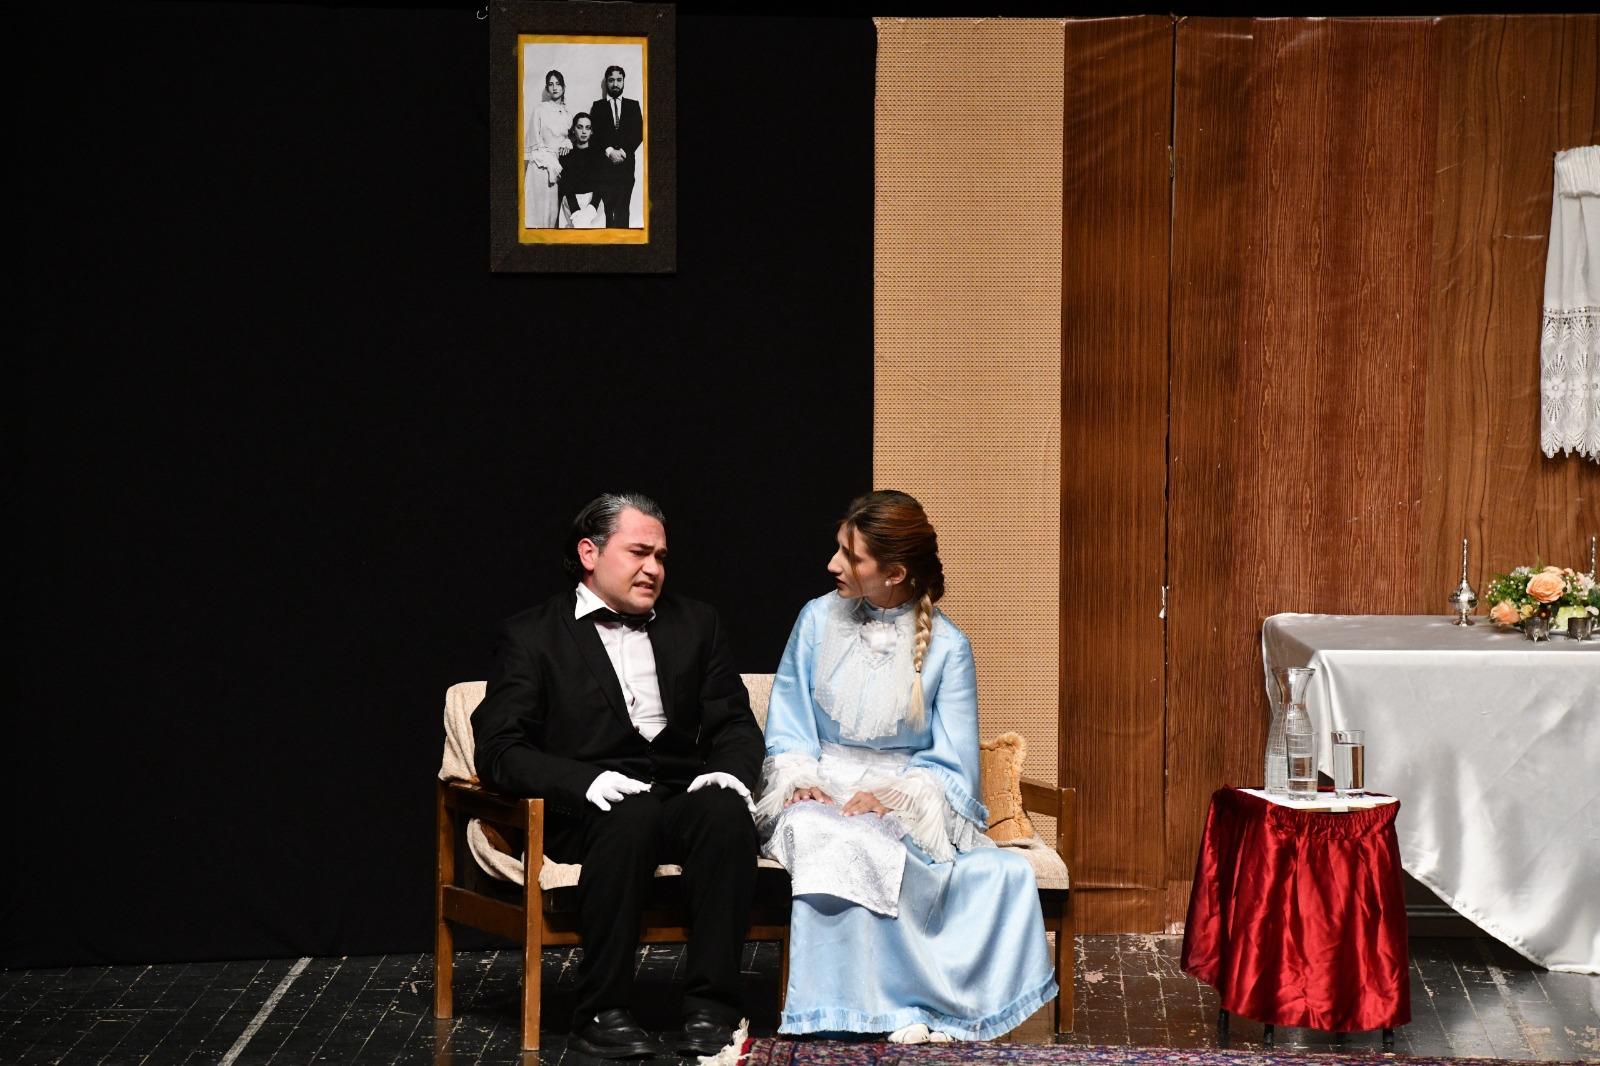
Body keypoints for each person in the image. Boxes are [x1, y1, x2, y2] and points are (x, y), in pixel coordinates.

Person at [755, 490, 1058, 1042]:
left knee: (885, 842)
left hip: (902, 794)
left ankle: (908, 1003)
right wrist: (801, 780)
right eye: (838, 548)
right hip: (821, 786)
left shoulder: (949, 647)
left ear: (894, 573)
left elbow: (952, 759)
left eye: (851, 556)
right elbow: (790, 719)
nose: (832, 565)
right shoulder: (816, 619)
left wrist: (891, 799)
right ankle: (840, 1011)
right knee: (825, 837)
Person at [473, 493, 763, 1059]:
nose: (653, 568)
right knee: (629, 817)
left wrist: (729, 773)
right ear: (590, 553)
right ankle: (601, 1011)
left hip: (676, 796)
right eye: (638, 552)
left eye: (661, 556)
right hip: (588, 809)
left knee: (725, 813)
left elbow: (733, 722)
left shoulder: (696, 623)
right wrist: (582, 782)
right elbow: (500, 750)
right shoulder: (532, 636)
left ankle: (713, 1009)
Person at [589, 64, 644, 227]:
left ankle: (624, 241)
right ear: (606, 82)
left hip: (626, 166)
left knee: (623, 209)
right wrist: (610, 151)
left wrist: (624, 151)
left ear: (623, 81)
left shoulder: (633, 105)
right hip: (605, 167)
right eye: (611, 80)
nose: (615, 84)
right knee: (608, 211)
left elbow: (639, 132)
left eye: (619, 80)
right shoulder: (597, 106)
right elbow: (595, 134)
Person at [523, 70, 572, 229]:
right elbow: (534, 139)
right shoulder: (540, 109)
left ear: (563, 87)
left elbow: (568, 137)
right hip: (541, 165)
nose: (555, 87)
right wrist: (549, 162)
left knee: (552, 212)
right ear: (547, 88)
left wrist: (567, 142)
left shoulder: (568, 115)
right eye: (551, 84)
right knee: (537, 211)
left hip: (557, 168)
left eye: (558, 84)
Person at [559, 112, 604, 228]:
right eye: (580, 127)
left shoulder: (598, 154)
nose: (584, 131)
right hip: (571, 203)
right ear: (573, 130)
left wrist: (592, 207)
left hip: (593, 203)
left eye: (587, 128)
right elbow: (567, 185)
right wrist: (575, 210)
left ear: (591, 131)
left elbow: (600, 184)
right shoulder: (566, 154)